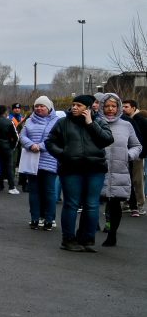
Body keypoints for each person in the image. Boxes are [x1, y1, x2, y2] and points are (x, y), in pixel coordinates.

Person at [45, 94, 114, 252]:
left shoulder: (99, 121)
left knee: (92, 205)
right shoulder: (63, 122)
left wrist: (90, 124)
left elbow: (107, 140)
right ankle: (68, 239)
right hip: (71, 169)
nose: (74, 107)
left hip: (95, 169)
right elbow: (50, 141)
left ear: (88, 108)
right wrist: (64, 154)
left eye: (79, 105)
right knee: (72, 203)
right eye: (74, 104)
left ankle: (87, 238)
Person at [98, 93, 141, 247]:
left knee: (115, 203)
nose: (110, 109)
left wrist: (128, 155)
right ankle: (89, 230)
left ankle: (112, 234)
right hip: (98, 170)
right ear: (102, 106)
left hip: (119, 170)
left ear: (119, 108)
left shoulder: (126, 125)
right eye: (107, 106)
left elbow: (137, 145)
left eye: (114, 106)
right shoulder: (95, 123)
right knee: (91, 202)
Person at [19, 96, 60, 230]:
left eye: (42, 106)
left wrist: (40, 146)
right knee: (34, 191)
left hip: (49, 160)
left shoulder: (56, 121)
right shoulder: (29, 121)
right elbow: (22, 136)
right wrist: (31, 145)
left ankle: (49, 219)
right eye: (37, 106)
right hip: (32, 161)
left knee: (49, 191)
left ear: (49, 108)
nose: (39, 108)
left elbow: (54, 138)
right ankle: (35, 218)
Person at [121, 99, 147, 217]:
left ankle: (140, 205)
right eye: (123, 106)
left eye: (126, 107)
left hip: (137, 155)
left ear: (133, 107)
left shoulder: (139, 120)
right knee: (128, 180)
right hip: (128, 154)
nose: (123, 109)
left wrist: (141, 154)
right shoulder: (128, 119)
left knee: (137, 181)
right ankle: (127, 203)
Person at [0, 105, 20, 194]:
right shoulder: (9, 122)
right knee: (9, 167)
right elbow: (16, 137)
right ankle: (11, 187)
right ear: (5, 112)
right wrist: (12, 147)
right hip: (6, 147)